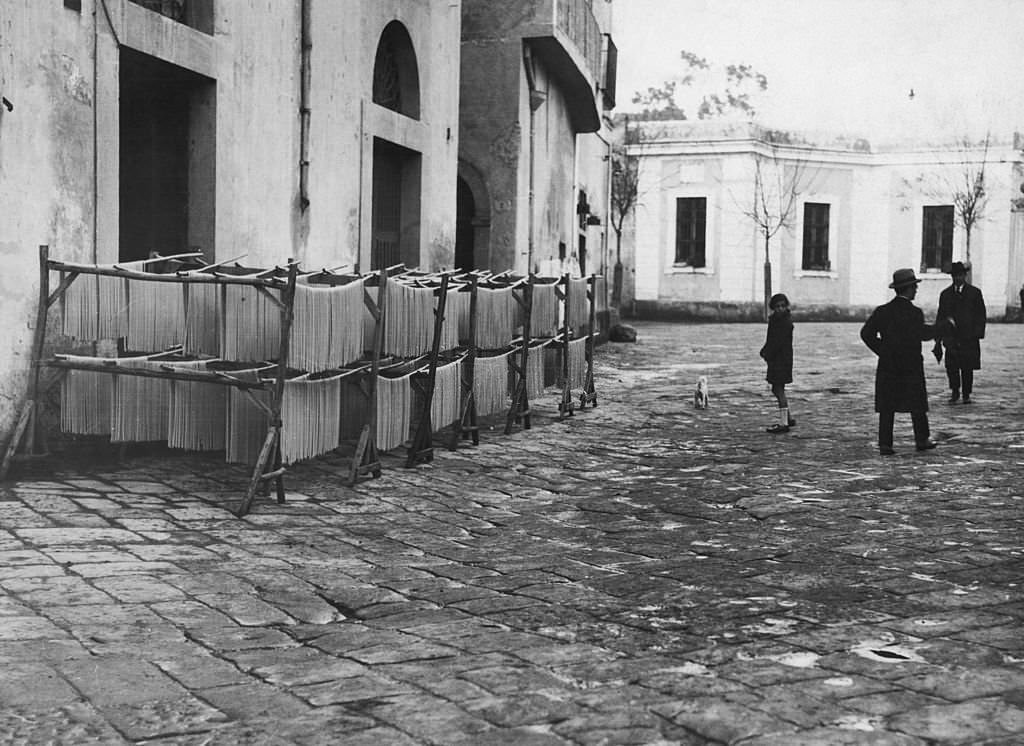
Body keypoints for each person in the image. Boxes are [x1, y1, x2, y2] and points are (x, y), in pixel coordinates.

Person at [860, 268, 949, 456]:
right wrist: (943, 326)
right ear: (908, 289)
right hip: (910, 365)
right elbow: (923, 334)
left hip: (888, 365)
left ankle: (885, 444)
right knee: (917, 404)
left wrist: (883, 350)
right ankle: (922, 439)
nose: (916, 290)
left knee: (887, 406)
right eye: (914, 286)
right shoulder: (914, 313)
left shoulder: (882, 311)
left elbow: (866, 333)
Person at [935, 261, 986, 404]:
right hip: (951, 336)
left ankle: (966, 393)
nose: (958, 278)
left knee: (967, 366)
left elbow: (980, 315)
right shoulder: (945, 294)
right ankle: (955, 391)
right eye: (955, 276)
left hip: (968, 336)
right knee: (952, 366)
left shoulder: (974, 293)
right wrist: (939, 336)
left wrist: (977, 333)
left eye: (960, 275)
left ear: (965, 275)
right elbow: (941, 315)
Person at [759, 292, 796, 434]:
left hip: (781, 360)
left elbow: (776, 343)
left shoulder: (785, 323)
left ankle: (784, 423)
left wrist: (767, 353)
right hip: (777, 359)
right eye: (777, 306)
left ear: (786, 307)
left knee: (778, 389)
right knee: (777, 389)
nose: (780, 309)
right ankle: (788, 417)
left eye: (782, 306)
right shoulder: (776, 320)